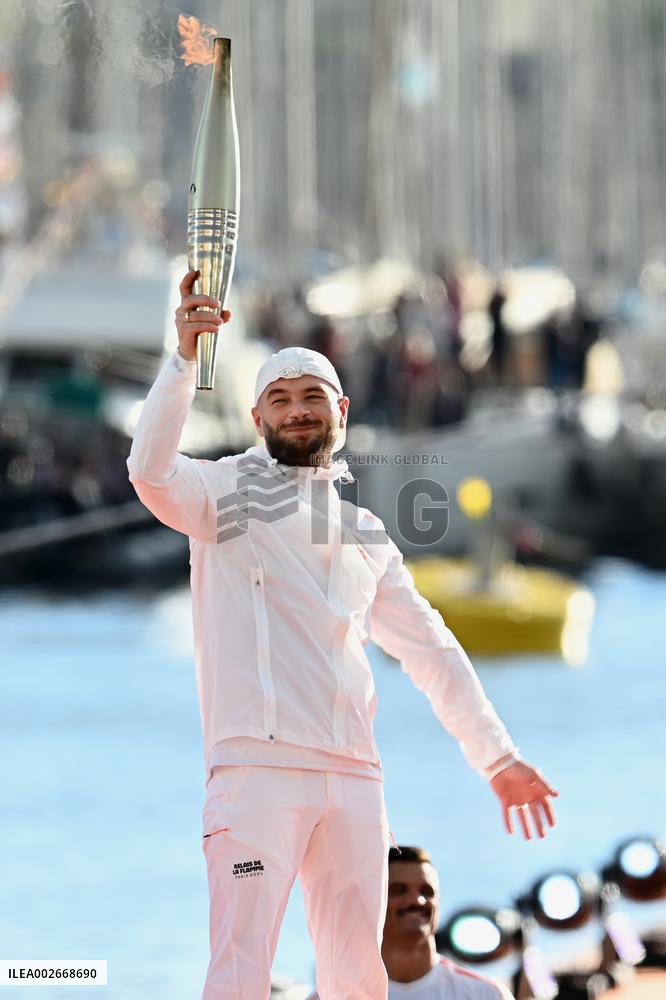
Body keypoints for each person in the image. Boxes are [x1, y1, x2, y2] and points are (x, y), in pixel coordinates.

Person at [127, 270, 559, 1000]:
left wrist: (499, 759)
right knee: (240, 969)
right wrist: (181, 360)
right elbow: (149, 470)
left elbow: (432, 652)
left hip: (355, 777)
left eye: (311, 398)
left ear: (341, 410)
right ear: (258, 419)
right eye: (280, 401)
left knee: (361, 979)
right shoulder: (222, 494)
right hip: (256, 774)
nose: (297, 412)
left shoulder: (365, 534)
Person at [307, 845, 515, 999]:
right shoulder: (332, 996)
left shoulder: (486, 994)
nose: (417, 900)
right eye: (399, 890)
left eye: (427, 892)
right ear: (372, 903)